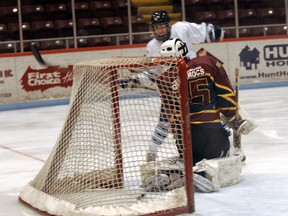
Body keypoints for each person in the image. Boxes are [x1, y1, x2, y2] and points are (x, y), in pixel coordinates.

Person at [145, 10, 224, 58]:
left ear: (168, 26)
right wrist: (137, 79)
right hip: (173, 78)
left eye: (162, 27)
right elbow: (153, 72)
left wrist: (211, 32)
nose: (160, 31)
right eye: (156, 28)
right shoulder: (152, 46)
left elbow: (202, 32)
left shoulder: (180, 28)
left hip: (192, 69)